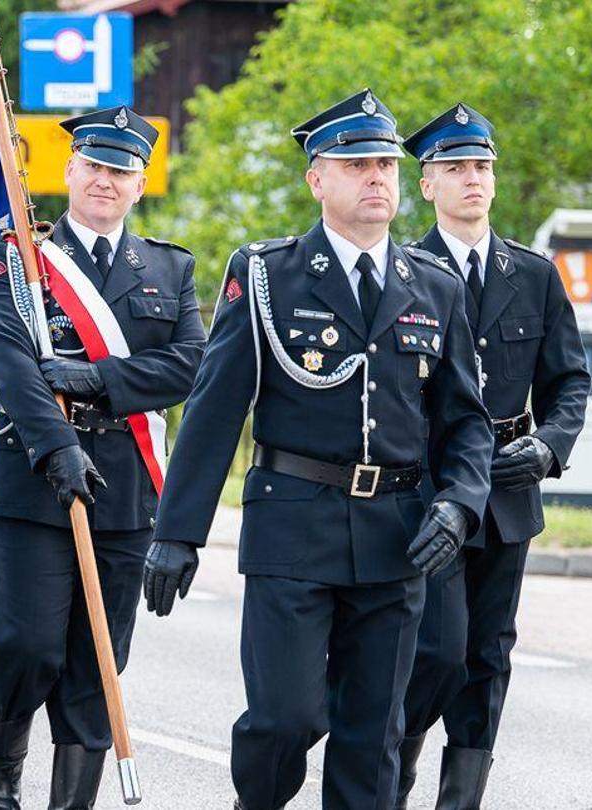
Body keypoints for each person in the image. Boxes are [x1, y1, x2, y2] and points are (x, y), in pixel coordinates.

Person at [147, 89, 494, 810]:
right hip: (292, 531)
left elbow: (466, 423)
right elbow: (214, 410)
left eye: (386, 165)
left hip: (396, 538)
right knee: (285, 720)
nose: (376, 178)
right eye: (357, 163)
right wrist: (177, 534)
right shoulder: (269, 274)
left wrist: (460, 503)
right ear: (317, 180)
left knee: (373, 738)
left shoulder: (433, 285)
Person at [0, 106, 207, 807]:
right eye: (95, 166)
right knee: (27, 645)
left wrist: (96, 380)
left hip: (126, 491)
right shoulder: (17, 259)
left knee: (97, 663)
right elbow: (12, 366)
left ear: (141, 186)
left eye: (122, 172)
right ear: (68, 171)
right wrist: (57, 446)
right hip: (33, 478)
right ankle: (0, 773)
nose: (106, 181)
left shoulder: (171, 266)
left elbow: (190, 364)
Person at [393, 103, 592, 809]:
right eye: (455, 168)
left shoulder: (532, 275)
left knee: (487, 655)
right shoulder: (403, 270)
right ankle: (395, 775)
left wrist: (547, 445)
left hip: (508, 490)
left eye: (481, 166)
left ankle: (459, 800)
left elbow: (568, 380)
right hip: (430, 486)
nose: (473, 179)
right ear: (426, 185)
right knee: (435, 651)